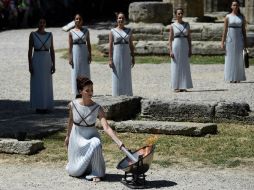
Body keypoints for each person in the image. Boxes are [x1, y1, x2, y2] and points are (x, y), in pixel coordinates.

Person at [64, 76, 124, 182]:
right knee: (75, 172)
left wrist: (119, 142)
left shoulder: (97, 108)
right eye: (87, 90)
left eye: (92, 90)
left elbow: (106, 127)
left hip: (90, 137)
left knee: (96, 143)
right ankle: (81, 168)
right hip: (76, 140)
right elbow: (71, 121)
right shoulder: (73, 105)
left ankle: (96, 173)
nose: (90, 93)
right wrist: (67, 136)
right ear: (80, 91)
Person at [28, 18, 55, 113]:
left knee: (46, 83)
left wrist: (53, 64)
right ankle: (38, 105)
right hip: (37, 59)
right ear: (37, 23)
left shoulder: (49, 35)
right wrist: (30, 64)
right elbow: (30, 50)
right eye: (40, 22)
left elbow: (52, 50)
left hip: (46, 60)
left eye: (43, 22)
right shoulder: (33, 34)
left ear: (45, 24)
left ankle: (46, 105)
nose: (42, 24)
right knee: (37, 83)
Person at [108, 12, 135, 96]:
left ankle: (127, 93)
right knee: (117, 73)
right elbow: (110, 46)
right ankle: (117, 94)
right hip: (117, 54)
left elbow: (131, 44)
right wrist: (110, 59)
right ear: (117, 20)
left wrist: (133, 57)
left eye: (122, 18)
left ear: (125, 20)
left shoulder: (129, 31)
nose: (121, 20)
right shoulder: (112, 31)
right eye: (119, 18)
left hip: (126, 55)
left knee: (126, 73)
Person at [221, 0, 247, 83]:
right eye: (234, 5)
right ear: (231, 6)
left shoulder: (241, 17)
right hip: (230, 40)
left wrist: (245, 41)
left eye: (237, 5)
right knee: (230, 57)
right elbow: (224, 30)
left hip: (239, 39)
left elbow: (244, 30)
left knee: (239, 58)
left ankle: (238, 77)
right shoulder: (227, 16)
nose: (235, 6)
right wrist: (222, 42)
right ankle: (230, 77)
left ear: (238, 6)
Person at [168, 8, 193, 93]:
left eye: (181, 13)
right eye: (178, 13)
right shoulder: (172, 25)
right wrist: (170, 50)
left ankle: (183, 85)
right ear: (175, 15)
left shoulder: (187, 25)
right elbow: (170, 39)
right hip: (176, 45)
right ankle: (176, 86)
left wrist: (190, 49)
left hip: (185, 45)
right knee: (176, 65)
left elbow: (189, 38)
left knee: (184, 65)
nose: (180, 15)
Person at [69, 14, 92, 98]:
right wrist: (70, 57)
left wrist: (90, 54)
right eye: (76, 19)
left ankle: (86, 90)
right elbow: (70, 46)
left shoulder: (86, 31)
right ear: (74, 21)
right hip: (75, 53)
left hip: (84, 52)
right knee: (76, 72)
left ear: (82, 21)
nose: (78, 20)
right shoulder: (71, 32)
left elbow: (88, 44)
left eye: (79, 19)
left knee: (84, 72)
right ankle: (77, 92)